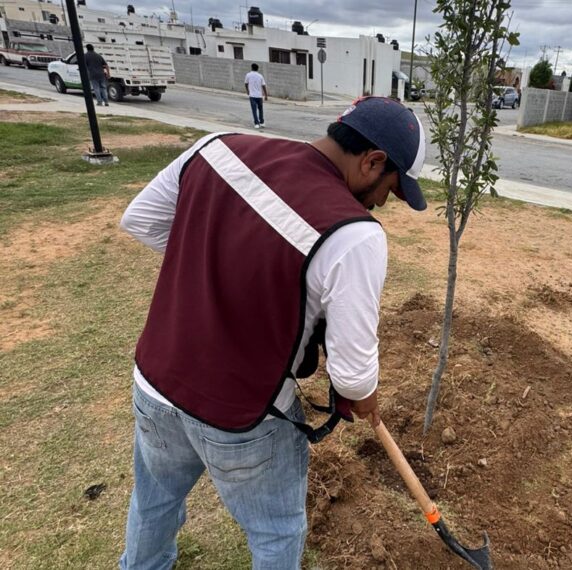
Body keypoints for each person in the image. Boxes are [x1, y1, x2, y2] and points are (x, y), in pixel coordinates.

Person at [118, 96, 427, 570]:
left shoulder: (216, 148)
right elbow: (352, 378)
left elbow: (141, 220)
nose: (386, 202)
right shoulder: (355, 234)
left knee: (153, 502)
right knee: (276, 532)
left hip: (156, 383)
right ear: (373, 161)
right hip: (243, 417)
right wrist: (364, 395)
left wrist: (219, 270)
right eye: (392, 188)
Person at [245, 63, 268, 129]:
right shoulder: (260, 76)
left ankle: (256, 123)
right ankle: (262, 122)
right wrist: (266, 95)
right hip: (259, 96)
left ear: (251, 68)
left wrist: (247, 90)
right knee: (260, 109)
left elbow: (246, 83)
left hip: (252, 96)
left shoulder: (248, 75)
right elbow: (263, 86)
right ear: (257, 69)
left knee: (254, 110)